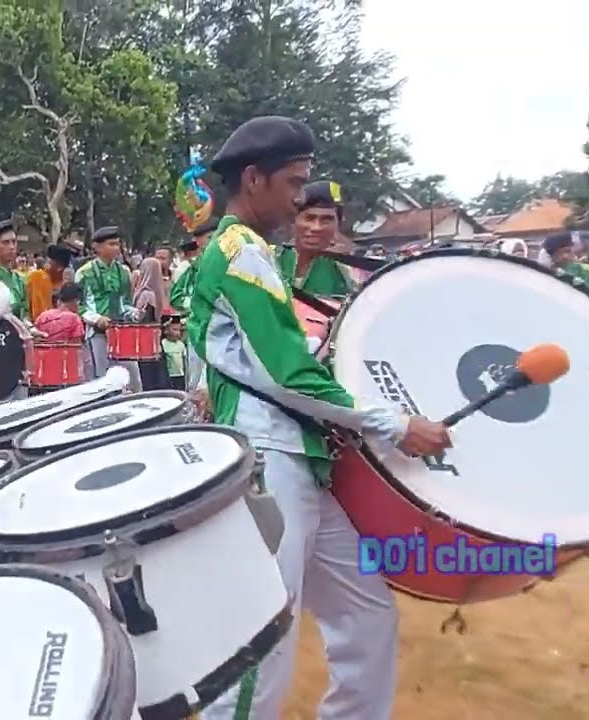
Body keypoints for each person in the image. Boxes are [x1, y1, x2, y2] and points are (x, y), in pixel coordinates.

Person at [189, 115, 452, 720]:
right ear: (253, 179)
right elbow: (286, 375)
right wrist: (395, 423)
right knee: (266, 644)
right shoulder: (241, 253)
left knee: (366, 616)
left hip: (298, 457)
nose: (299, 199)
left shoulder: (250, 251)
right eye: (292, 183)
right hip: (268, 461)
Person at [77, 226, 140, 385]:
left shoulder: (123, 272)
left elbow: (125, 303)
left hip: (121, 331)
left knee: (132, 376)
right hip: (97, 333)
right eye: (111, 244)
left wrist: (134, 313)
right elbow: (79, 306)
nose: (116, 248)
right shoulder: (85, 273)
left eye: (117, 244)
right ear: (97, 247)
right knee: (102, 378)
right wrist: (97, 319)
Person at [275, 180, 356, 296]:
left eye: (326, 220)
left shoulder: (347, 274)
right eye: (309, 218)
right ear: (294, 221)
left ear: (337, 225)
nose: (316, 227)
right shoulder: (270, 258)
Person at [132, 256, 170, 390]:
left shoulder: (138, 292)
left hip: (140, 344)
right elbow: (148, 320)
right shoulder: (149, 295)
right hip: (150, 344)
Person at [168, 218, 217, 312]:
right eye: (209, 237)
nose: (215, 241)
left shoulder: (229, 263)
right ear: (198, 242)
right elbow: (176, 297)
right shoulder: (193, 269)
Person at [161, 315, 187, 391]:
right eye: (174, 330)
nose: (177, 333)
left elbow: (184, 361)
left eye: (179, 330)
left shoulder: (181, 345)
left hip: (180, 375)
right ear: (166, 331)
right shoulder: (163, 343)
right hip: (169, 376)